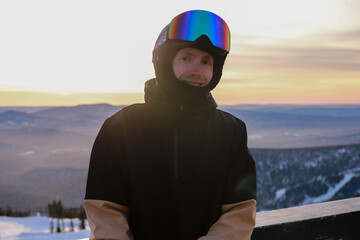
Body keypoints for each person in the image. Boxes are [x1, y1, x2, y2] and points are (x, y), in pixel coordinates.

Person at [84, 9, 256, 240]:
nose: (197, 70)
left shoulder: (231, 132)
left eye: (206, 61)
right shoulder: (121, 128)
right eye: (187, 58)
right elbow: (105, 213)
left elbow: (239, 212)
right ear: (164, 62)